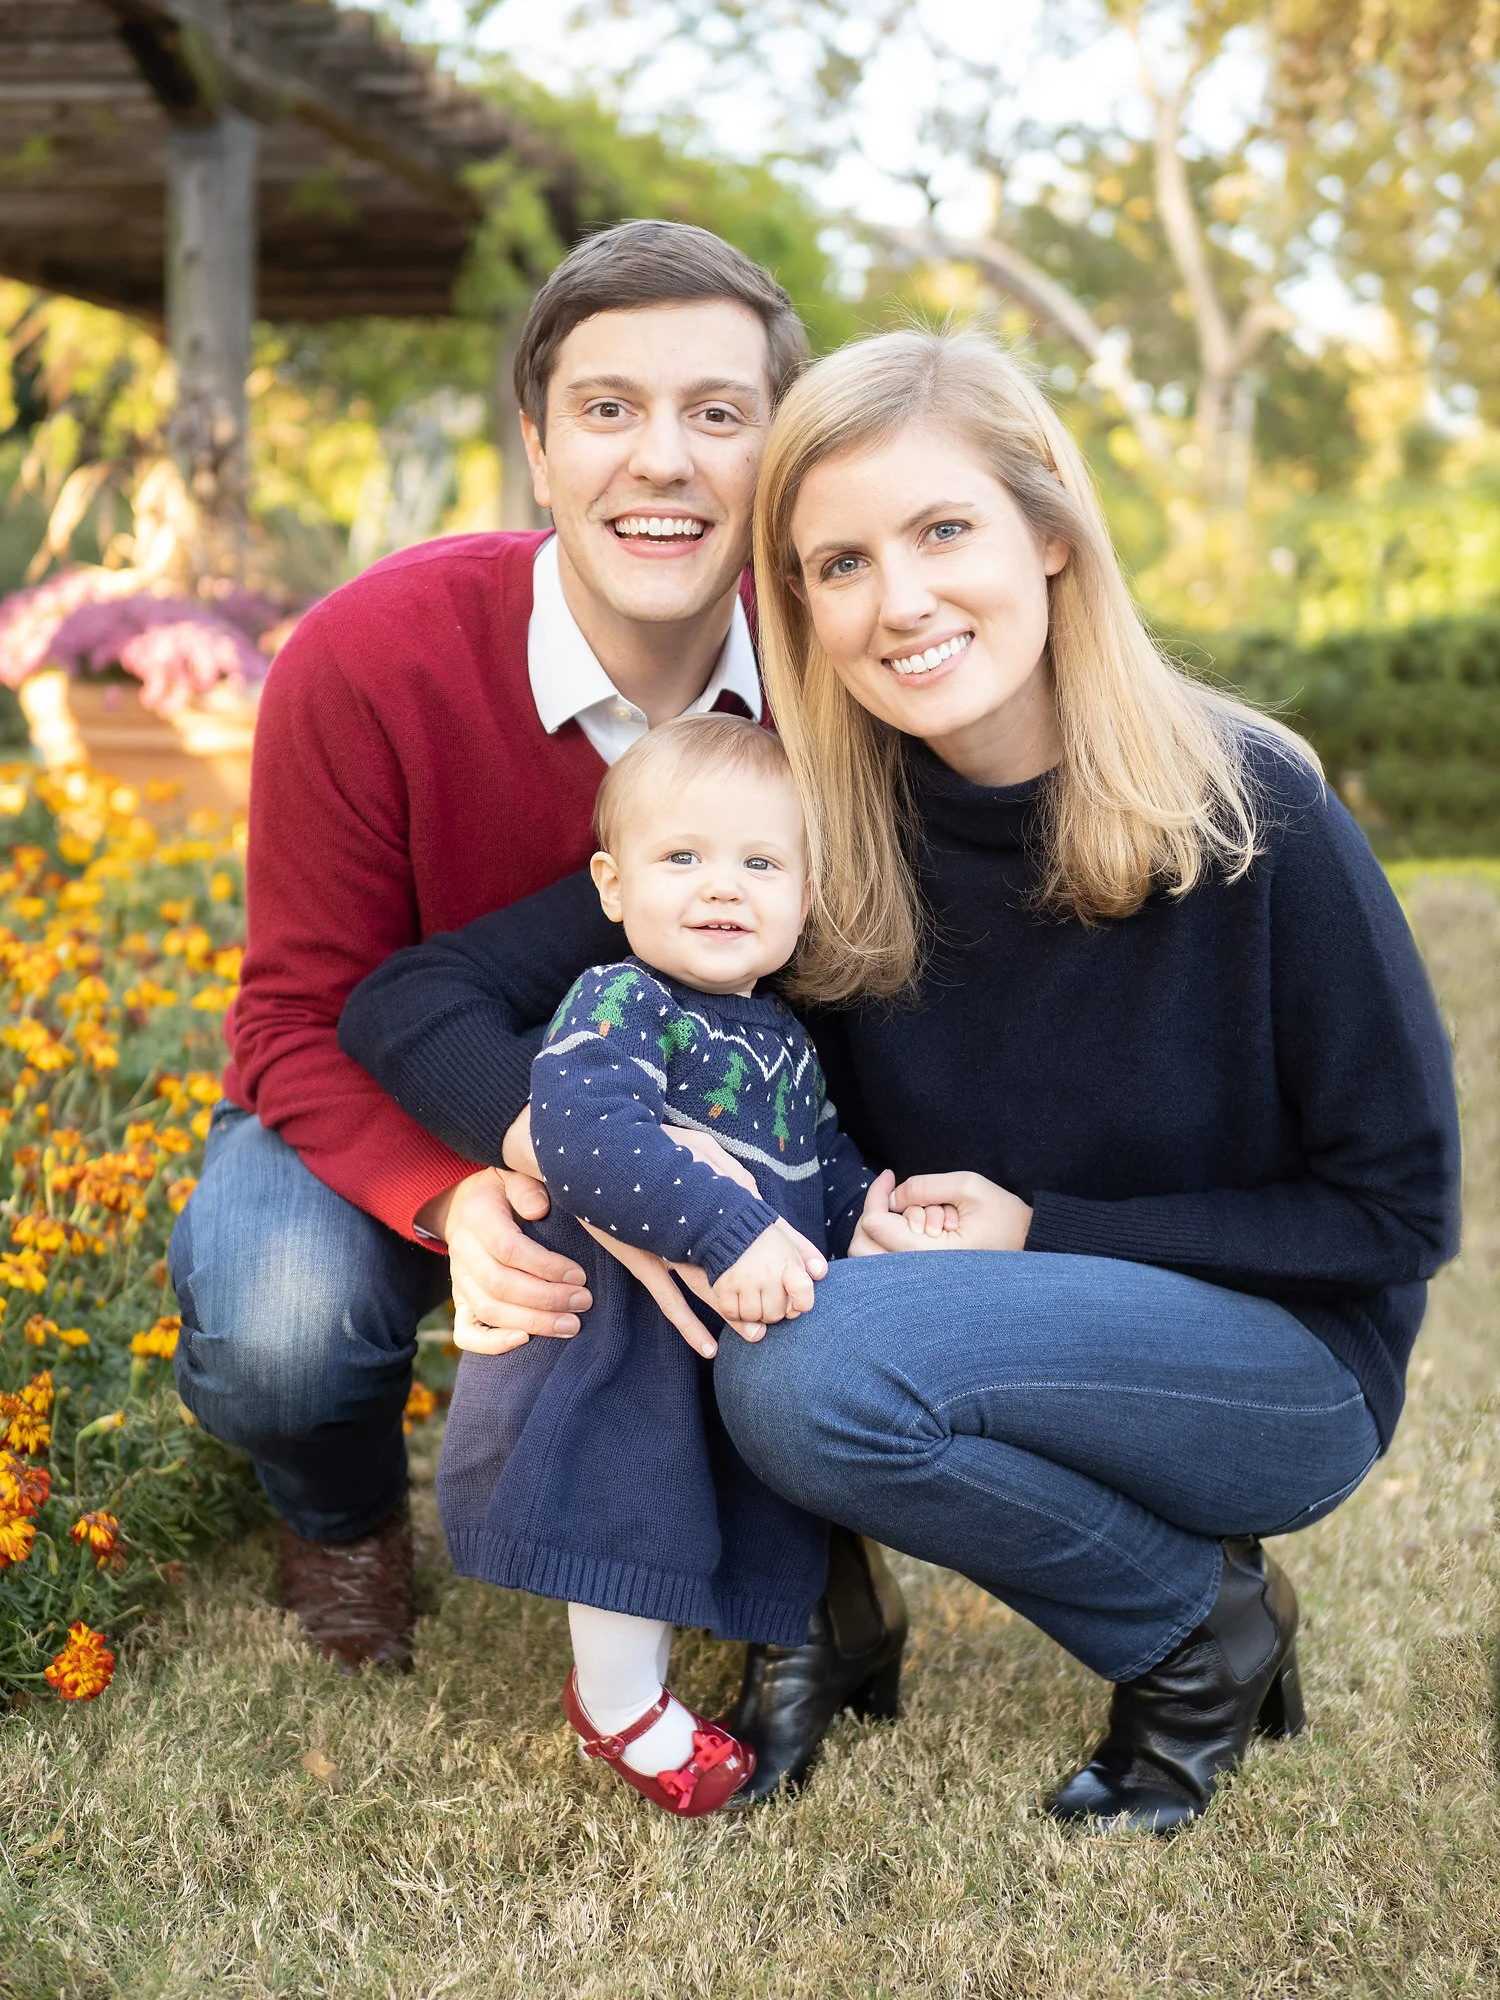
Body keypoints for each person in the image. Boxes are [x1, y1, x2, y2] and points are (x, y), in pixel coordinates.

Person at [331, 329, 1462, 1832]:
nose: (901, 601)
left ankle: (1201, 1626)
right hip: (947, 1320)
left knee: (807, 1367)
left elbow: (1395, 1218)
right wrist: (560, 1159)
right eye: (842, 563)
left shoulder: (1253, 814)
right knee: (733, 1245)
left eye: (943, 531)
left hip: (1275, 1369)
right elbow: (417, 997)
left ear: (1048, 533)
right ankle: (828, 1609)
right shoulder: (811, 823)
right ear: (800, 602)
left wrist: (1039, 1231)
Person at [166, 221, 910, 1760]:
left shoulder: (844, 674)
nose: (663, 460)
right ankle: (342, 1514)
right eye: (608, 408)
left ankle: (778, 1518)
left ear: (780, 455)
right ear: (538, 445)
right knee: (282, 1324)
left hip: (729, 1115)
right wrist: (473, 1191)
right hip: (404, 1102)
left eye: (719, 412)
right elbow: (295, 1017)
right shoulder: (370, 657)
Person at [352, 713, 902, 1814]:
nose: (722, 886)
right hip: (617, 1339)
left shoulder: (785, 1040)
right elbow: (583, 1132)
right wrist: (727, 1230)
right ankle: (619, 1704)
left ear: (807, 895)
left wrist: (867, 1218)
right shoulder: (621, 1000)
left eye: (761, 864)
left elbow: (819, 1162)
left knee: (709, 1503)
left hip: (711, 1342)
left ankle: (796, 1642)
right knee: (626, 1504)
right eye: (682, 857)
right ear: (612, 885)